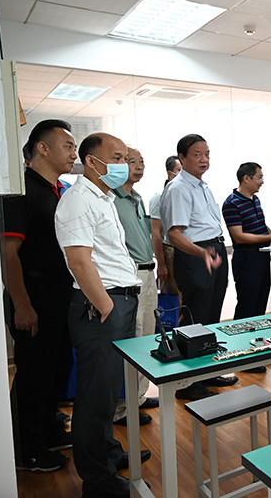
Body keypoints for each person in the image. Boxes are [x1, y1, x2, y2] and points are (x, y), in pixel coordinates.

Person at [55, 133, 144, 498]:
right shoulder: (77, 199)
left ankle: (108, 453)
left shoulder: (103, 197)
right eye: (117, 157)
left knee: (107, 391)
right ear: (92, 162)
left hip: (118, 301)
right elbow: (79, 261)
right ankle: (98, 480)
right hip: (101, 306)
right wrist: (107, 308)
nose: (125, 164)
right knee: (94, 396)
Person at [1, 119, 76, 473]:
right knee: (34, 373)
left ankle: (48, 431)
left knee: (56, 368)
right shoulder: (22, 191)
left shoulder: (60, 190)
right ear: (42, 148)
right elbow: (8, 253)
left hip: (60, 293)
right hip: (34, 293)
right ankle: (27, 449)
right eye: (68, 146)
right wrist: (22, 304)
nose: (74, 153)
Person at [160, 134, 238, 400]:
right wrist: (201, 253)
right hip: (195, 255)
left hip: (213, 250)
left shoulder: (202, 186)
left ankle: (207, 372)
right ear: (182, 157)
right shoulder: (179, 188)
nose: (204, 159)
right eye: (197, 154)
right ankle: (188, 383)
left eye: (207, 154)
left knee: (211, 317)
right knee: (195, 320)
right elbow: (174, 235)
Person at [111, 147, 159, 426]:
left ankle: (138, 397)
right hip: (129, 276)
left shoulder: (137, 198)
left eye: (142, 161)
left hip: (148, 272)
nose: (139, 166)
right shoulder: (111, 199)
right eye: (131, 161)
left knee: (147, 337)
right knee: (133, 338)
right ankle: (121, 407)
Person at [223, 162, 271, 321]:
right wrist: (268, 238)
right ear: (246, 178)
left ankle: (258, 334)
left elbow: (260, 224)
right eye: (259, 178)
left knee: (261, 300)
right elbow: (239, 236)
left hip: (262, 257)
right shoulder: (231, 203)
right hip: (246, 259)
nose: (262, 182)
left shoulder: (255, 199)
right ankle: (241, 334)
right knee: (247, 304)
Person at [150, 155, 181, 296]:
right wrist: (161, 265)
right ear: (170, 174)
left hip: (190, 250)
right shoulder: (159, 197)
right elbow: (156, 233)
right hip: (171, 252)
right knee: (173, 294)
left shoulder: (187, 194)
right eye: (179, 170)